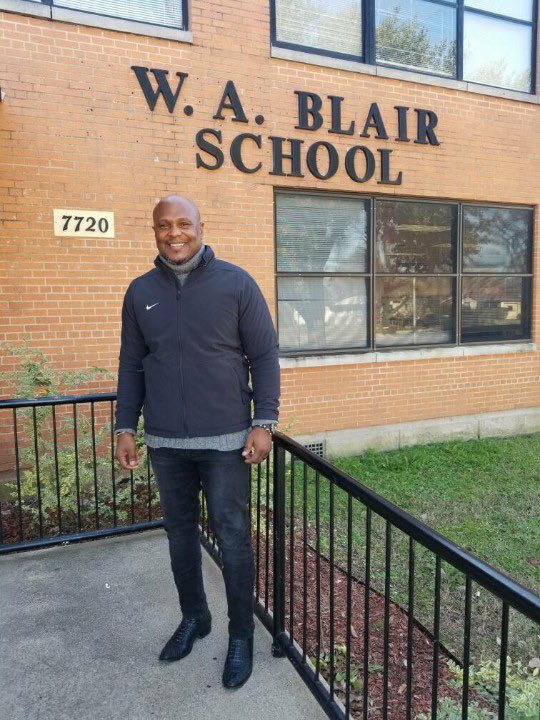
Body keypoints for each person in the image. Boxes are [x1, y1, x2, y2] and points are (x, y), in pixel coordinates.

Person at [114, 194, 280, 689]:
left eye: (183, 223)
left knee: (233, 539)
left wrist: (264, 421)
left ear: (201, 227)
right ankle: (195, 617)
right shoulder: (140, 291)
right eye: (164, 226)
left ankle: (241, 635)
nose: (174, 233)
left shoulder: (236, 283)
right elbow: (131, 364)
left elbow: (264, 355)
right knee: (180, 536)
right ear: (154, 231)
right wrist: (125, 426)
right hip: (166, 443)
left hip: (227, 442)